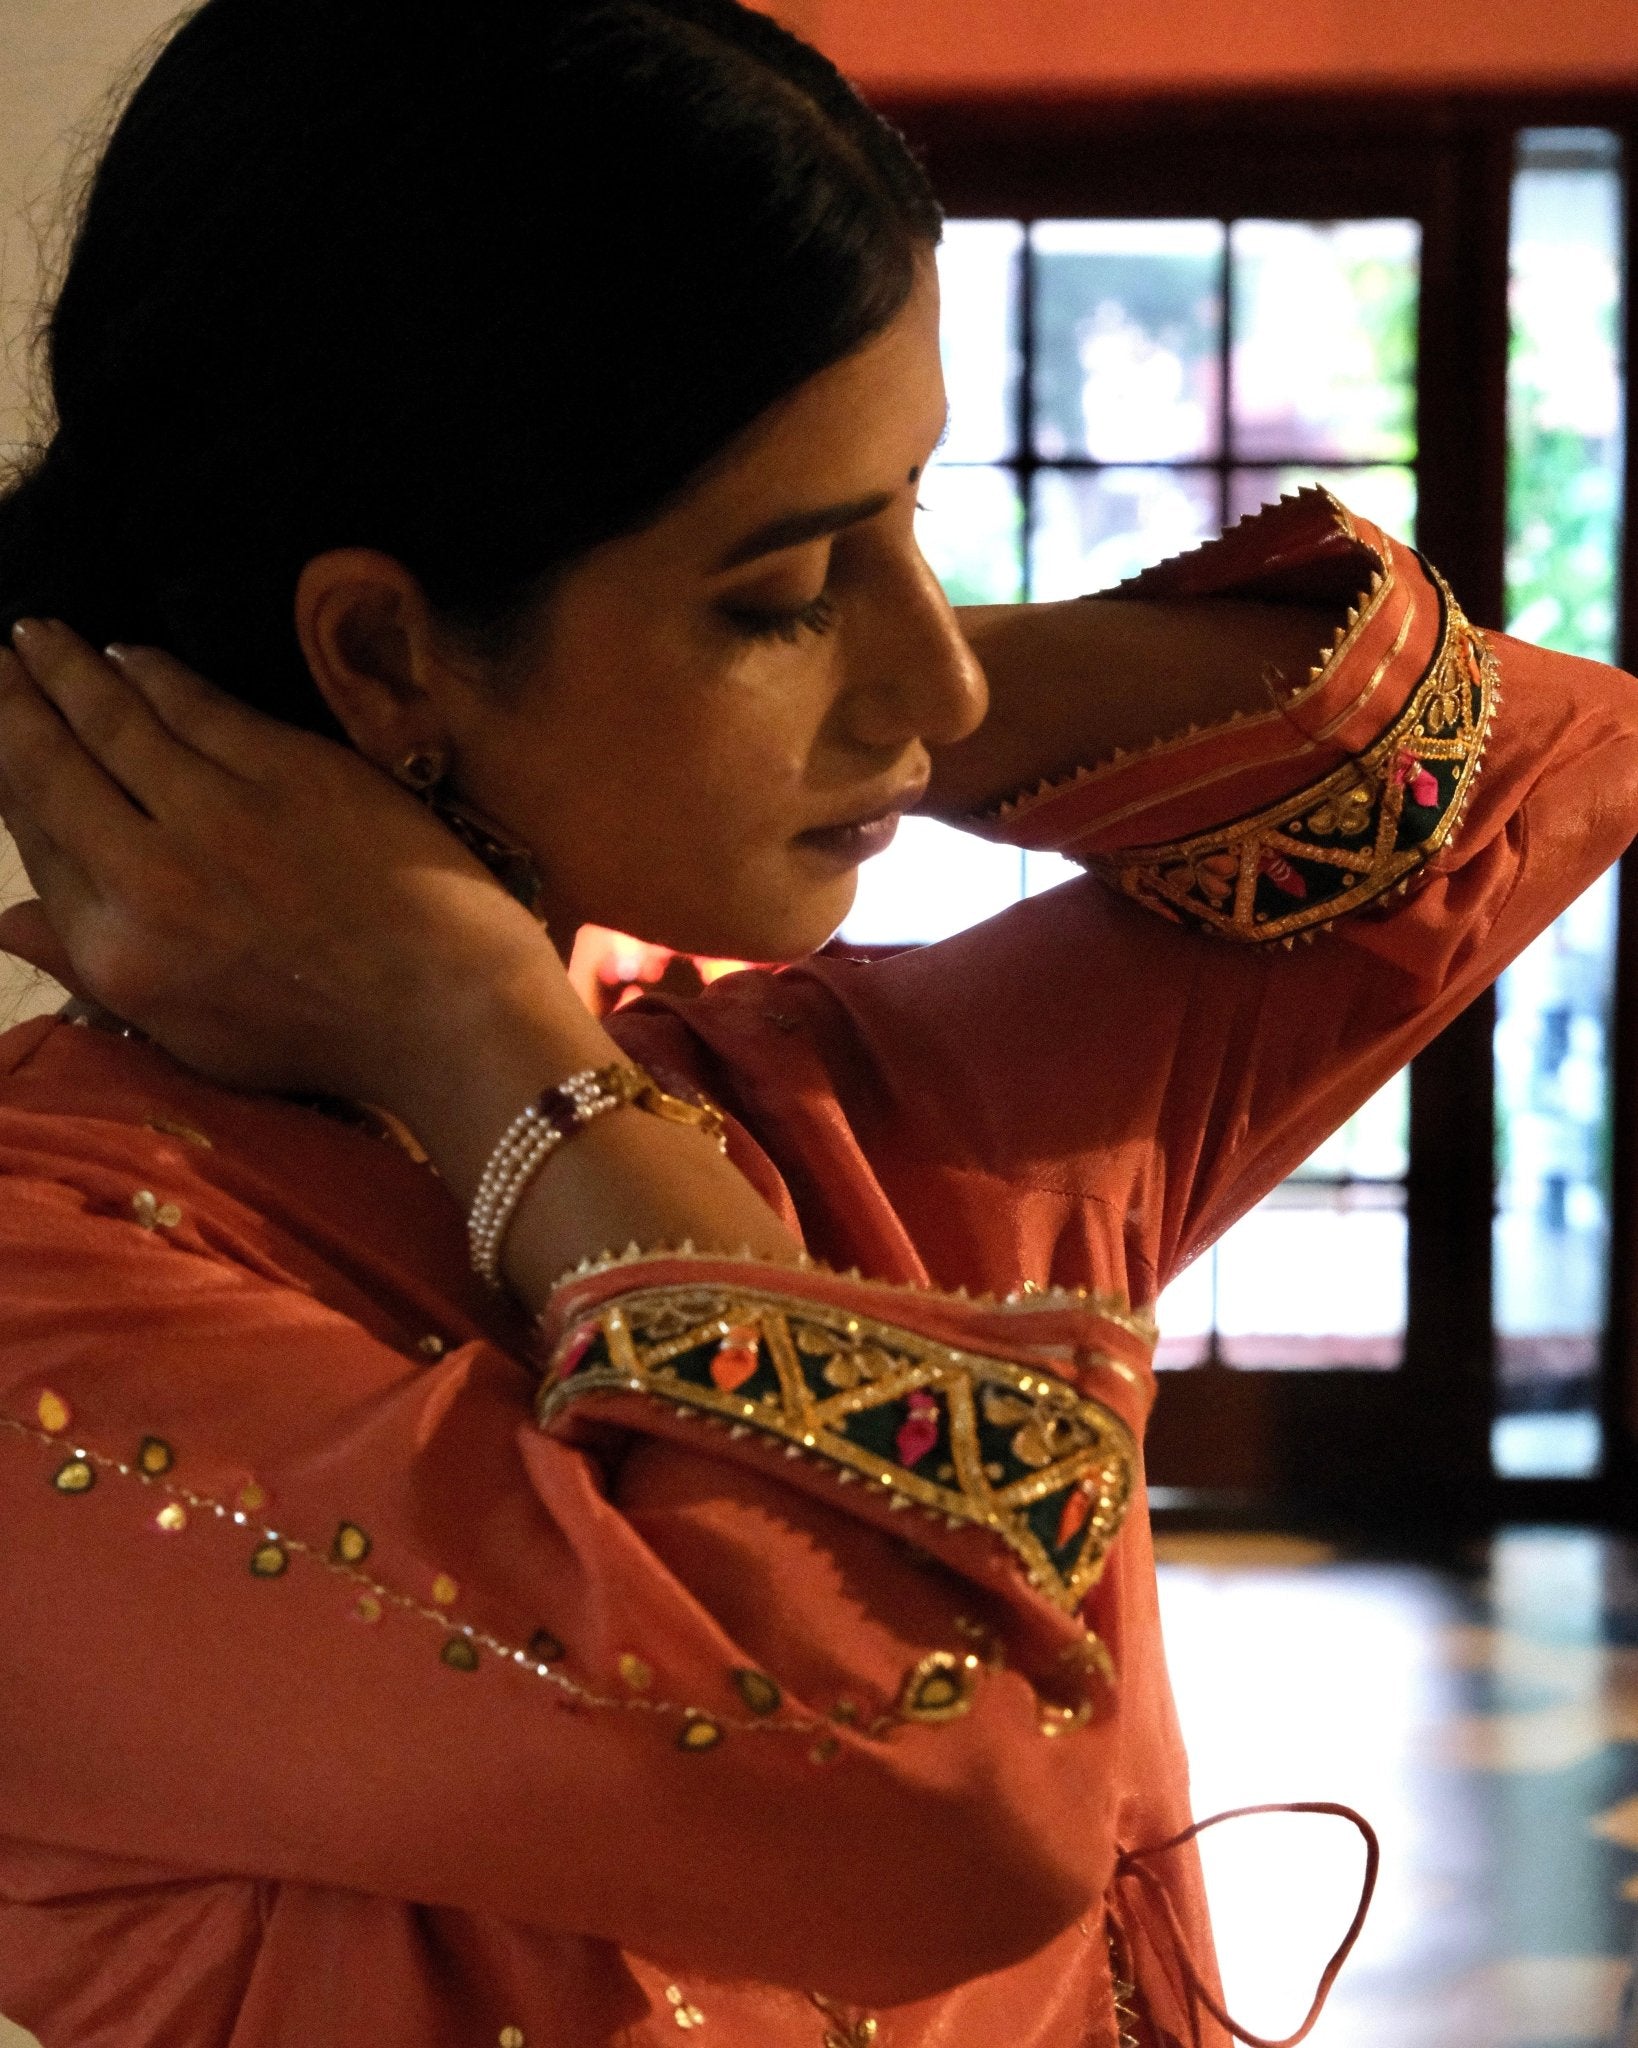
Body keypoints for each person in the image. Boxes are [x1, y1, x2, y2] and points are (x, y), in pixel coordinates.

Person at [0, 4, 1633, 2044]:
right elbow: (940, 1791)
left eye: (911, 513)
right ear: (387, 652)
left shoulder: (818, 1096)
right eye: (781, 593)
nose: (940, 680)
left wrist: (540, 978)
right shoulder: (51, 1306)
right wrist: (475, 1032)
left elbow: (1540, 759)